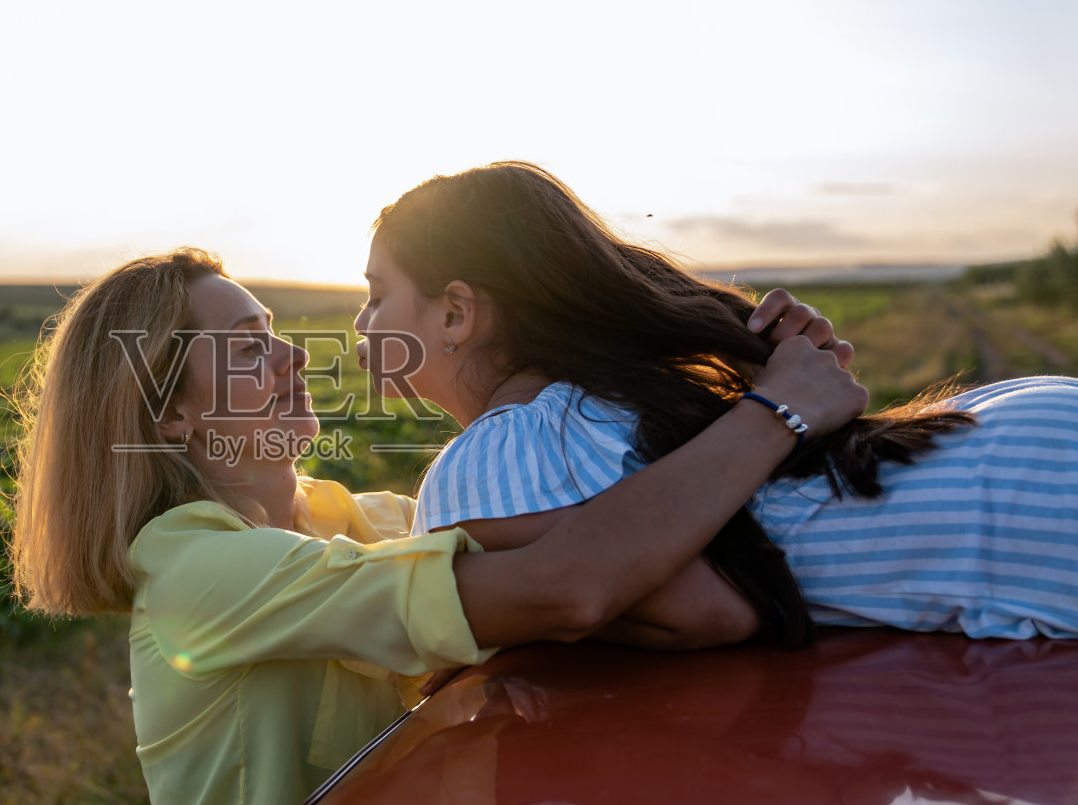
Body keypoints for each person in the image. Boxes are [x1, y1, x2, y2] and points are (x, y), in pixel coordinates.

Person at [3, 248, 865, 805]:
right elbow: (573, 580)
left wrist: (742, 354)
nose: (294, 354)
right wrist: (778, 410)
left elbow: (609, 534)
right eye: (248, 346)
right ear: (169, 415)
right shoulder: (195, 568)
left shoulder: (366, 520)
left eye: (274, 330)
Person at [355, 161, 1078, 647]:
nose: (360, 325)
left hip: (1014, 524)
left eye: (377, 294)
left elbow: (714, 606)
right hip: (1008, 453)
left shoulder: (481, 464)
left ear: (455, 314)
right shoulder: (610, 393)